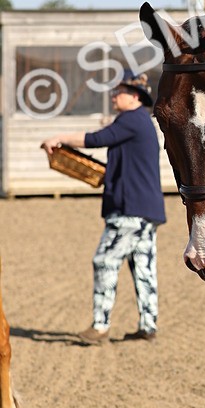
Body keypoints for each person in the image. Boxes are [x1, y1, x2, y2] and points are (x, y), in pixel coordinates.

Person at [42, 71, 166, 344]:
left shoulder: (131, 120)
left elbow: (96, 139)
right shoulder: (141, 122)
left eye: (118, 91)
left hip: (129, 211)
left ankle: (100, 327)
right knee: (143, 268)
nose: (113, 94)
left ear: (134, 96)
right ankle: (148, 325)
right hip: (146, 210)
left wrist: (59, 138)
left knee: (105, 261)